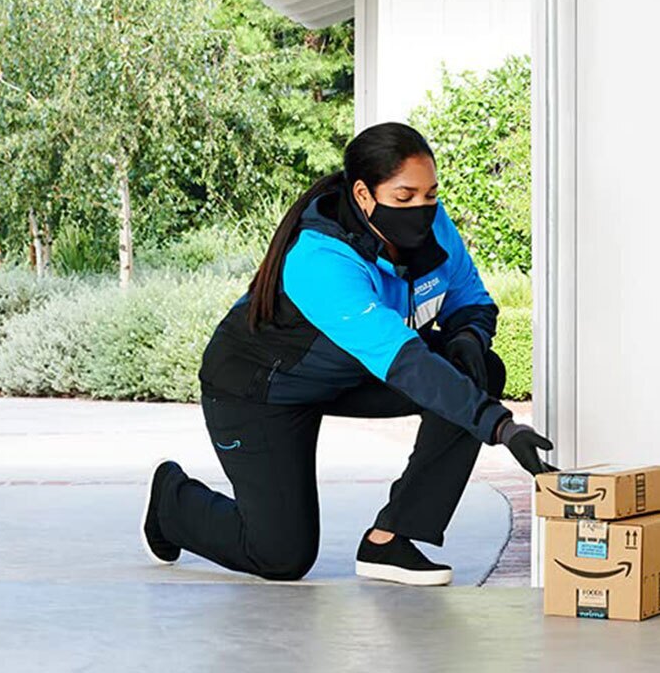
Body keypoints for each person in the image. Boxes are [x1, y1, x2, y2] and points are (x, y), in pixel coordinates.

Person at [139, 122, 555, 585]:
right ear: (363, 194)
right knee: (281, 556)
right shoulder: (320, 260)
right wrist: (500, 426)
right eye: (404, 197)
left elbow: (473, 301)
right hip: (259, 389)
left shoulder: (433, 225)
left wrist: (467, 341)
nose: (422, 208)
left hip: (348, 371)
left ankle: (391, 539)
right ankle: (171, 501)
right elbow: (408, 363)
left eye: (430, 194)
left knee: (475, 369)